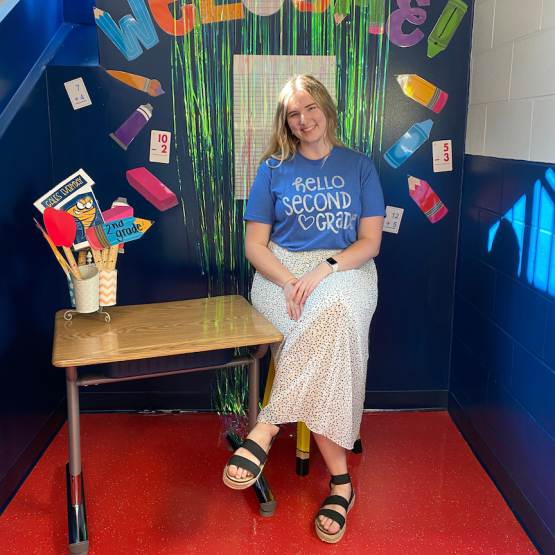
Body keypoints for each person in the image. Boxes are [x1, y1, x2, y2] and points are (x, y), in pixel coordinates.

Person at [223, 74, 385, 543]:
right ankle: (341, 483)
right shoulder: (273, 168)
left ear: (326, 108)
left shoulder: (360, 166)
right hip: (280, 272)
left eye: (310, 108)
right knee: (329, 331)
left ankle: (267, 425)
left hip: (345, 267)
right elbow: (255, 245)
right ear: (286, 122)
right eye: (293, 113)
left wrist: (324, 269)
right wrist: (290, 280)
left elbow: (370, 242)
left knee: (335, 312)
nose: (304, 119)